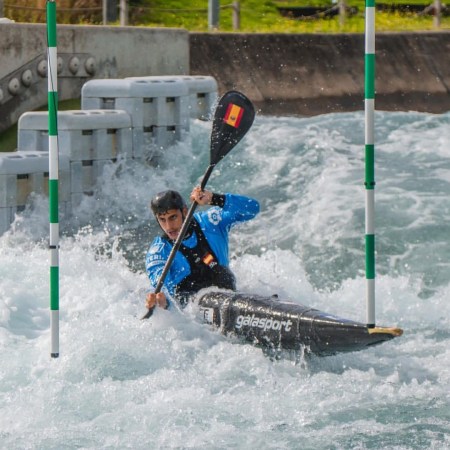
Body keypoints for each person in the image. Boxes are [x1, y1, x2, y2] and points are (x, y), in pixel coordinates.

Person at [145, 187, 260, 311]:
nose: (168, 227)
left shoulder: (210, 223)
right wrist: (164, 302)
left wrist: (214, 199)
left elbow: (253, 209)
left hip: (230, 296)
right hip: (192, 315)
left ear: (184, 212)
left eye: (173, 217)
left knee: (223, 275)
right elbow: (161, 287)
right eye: (162, 220)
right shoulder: (159, 251)